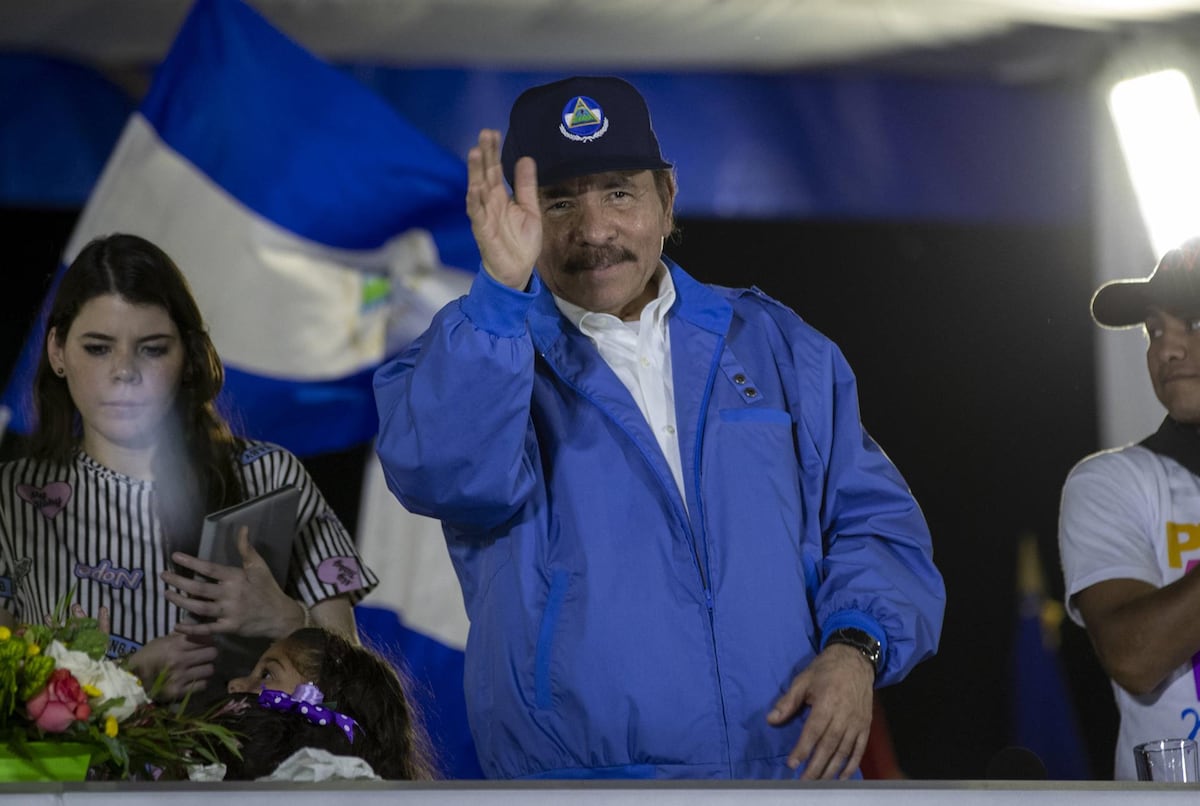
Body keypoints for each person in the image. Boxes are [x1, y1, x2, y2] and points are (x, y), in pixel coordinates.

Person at [373, 75, 945, 780]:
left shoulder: (777, 346)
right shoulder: (476, 353)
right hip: (582, 790)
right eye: (559, 202)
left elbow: (874, 523)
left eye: (618, 193)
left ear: (667, 198)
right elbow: (445, 476)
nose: (594, 231)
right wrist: (497, 296)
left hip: (792, 778)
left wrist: (857, 648)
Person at [0, 233, 379, 701]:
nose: (124, 371)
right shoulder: (13, 496)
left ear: (188, 356)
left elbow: (359, 695)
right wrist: (130, 680)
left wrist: (287, 619)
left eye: (152, 348)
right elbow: (7, 708)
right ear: (57, 351)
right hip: (75, 755)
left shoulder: (269, 476)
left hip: (248, 751)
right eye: (98, 347)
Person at [1059, 236, 1200, 779]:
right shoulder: (1112, 482)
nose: (1167, 350)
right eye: (1154, 330)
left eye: (1193, 323)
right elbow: (1134, 658)